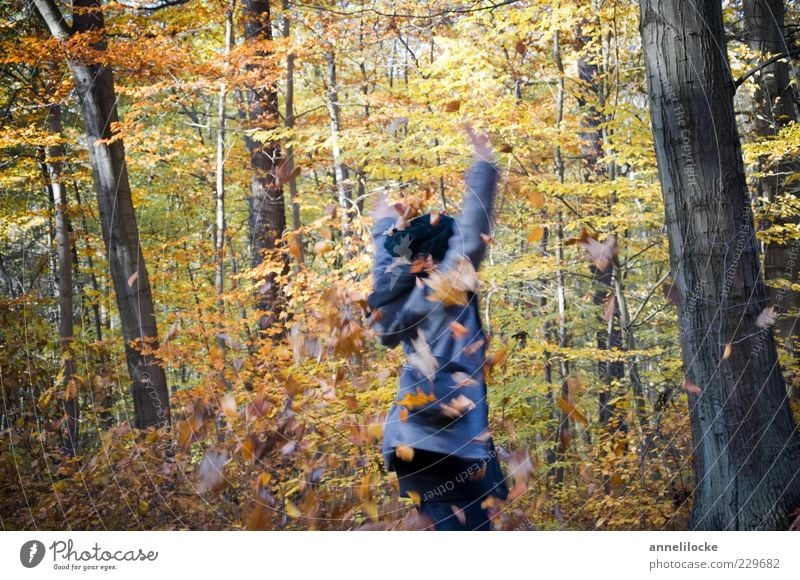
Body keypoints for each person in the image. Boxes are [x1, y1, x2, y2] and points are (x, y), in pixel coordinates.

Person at [367, 124, 508, 530]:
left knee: (465, 525)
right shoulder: (443, 292)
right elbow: (471, 238)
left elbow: (386, 270)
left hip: (411, 440)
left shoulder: (394, 311)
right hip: (446, 440)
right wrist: (483, 164)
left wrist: (383, 227)